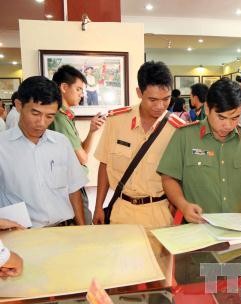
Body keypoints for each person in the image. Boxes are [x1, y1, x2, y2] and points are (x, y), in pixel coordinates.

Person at [158, 78, 241, 223]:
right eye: (221, 117)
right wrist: (183, 206)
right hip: (198, 229)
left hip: (240, 228)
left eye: (235, 118)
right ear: (207, 109)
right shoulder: (185, 136)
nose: (228, 125)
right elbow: (168, 178)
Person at [93, 61, 178, 231]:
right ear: (139, 92)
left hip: (159, 213)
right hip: (121, 211)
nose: (160, 106)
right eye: (153, 99)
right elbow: (104, 165)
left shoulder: (176, 129)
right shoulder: (116, 121)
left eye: (166, 99)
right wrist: (98, 207)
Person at [0, 76, 87, 227]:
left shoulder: (61, 143)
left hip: (64, 230)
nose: (41, 123)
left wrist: (82, 229)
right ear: (19, 105)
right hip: (21, 235)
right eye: (35, 113)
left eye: (49, 116)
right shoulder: (3, 146)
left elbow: (74, 190)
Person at [50, 64, 105, 225]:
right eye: (79, 89)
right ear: (64, 87)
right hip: (68, 186)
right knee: (84, 229)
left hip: (72, 182)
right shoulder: (60, 118)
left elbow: (81, 152)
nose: (82, 94)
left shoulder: (66, 116)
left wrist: (92, 130)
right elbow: (82, 158)